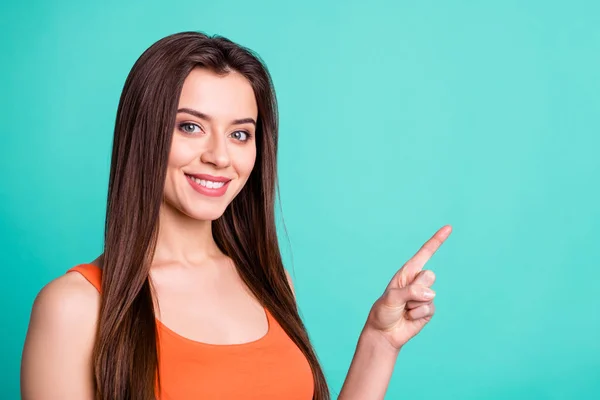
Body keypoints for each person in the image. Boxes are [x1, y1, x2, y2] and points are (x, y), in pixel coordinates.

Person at [20, 31, 452, 400]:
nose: (219, 156)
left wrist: (380, 340)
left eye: (240, 134)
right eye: (190, 126)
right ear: (144, 133)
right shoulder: (74, 308)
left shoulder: (270, 280)